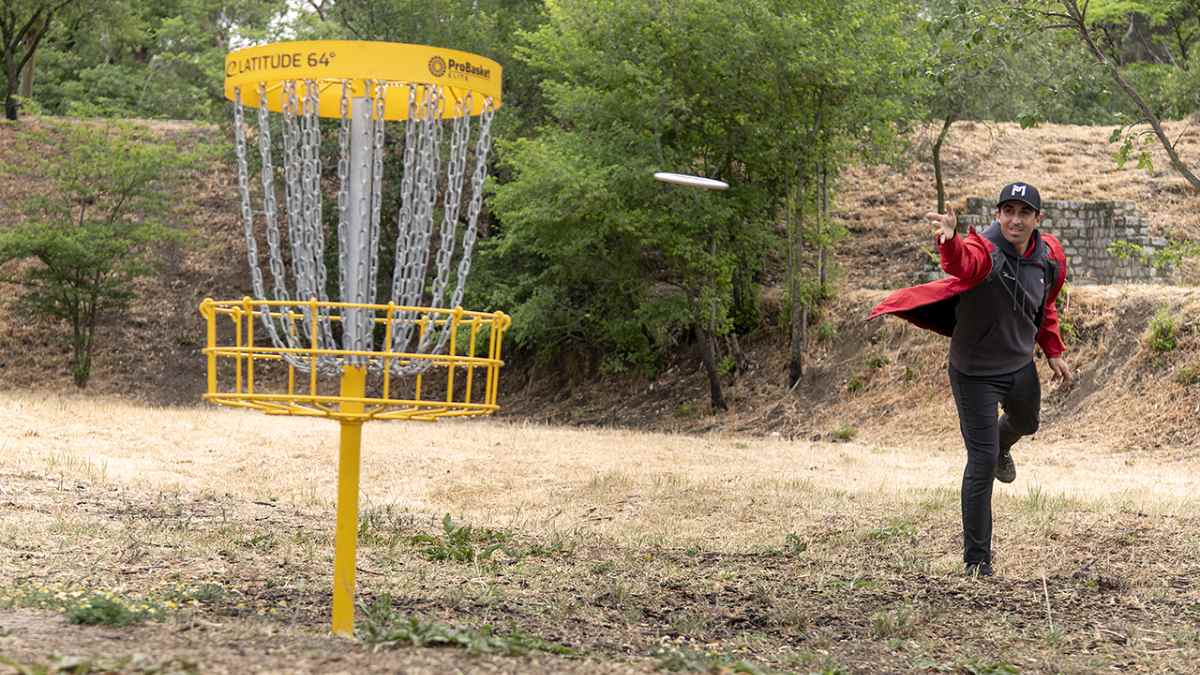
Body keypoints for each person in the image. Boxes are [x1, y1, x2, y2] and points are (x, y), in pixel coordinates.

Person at [868, 182, 1072, 578]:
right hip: (974, 373)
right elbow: (964, 263)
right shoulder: (985, 249)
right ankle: (977, 561)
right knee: (979, 463)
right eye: (1007, 210)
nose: (1015, 219)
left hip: (1018, 365)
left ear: (1037, 219)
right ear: (997, 215)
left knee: (1027, 423)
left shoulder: (1048, 257)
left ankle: (1001, 447)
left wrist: (1054, 350)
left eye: (1024, 212)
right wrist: (949, 241)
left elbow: (1043, 306)